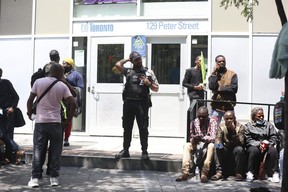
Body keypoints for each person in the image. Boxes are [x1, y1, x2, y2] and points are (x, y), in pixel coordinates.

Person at [26, 63, 76, 188]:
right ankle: (54, 178)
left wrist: (29, 113)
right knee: (55, 151)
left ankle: (35, 178)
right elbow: (73, 102)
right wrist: (67, 120)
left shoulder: (38, 82)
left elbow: (30, 100)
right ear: (60, 73)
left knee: (38, 150)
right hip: (56, 123)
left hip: (41, 122)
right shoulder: (62, 85)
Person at [114, 51, 159, 160]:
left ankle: (144, 151)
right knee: (127, 127)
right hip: (129, 103)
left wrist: (149, 84)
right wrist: (127, 59)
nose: (139, 61)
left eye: (139, 59)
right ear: (132, 61)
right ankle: (125, 150)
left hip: (142, 103)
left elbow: (156, 88)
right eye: (136, 59)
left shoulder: (148, 72)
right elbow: (117, 65)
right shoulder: (128, 71)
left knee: (143, 128)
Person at [175, 106, 217, 183]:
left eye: (203, 117)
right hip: (197, 143)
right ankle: (185, 172)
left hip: (207, 144)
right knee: (187, 145)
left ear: (207, 115)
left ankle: (204, 173)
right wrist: (194, 139)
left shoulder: (212, 122)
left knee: (212, 146)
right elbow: (191, 136)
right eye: (199, 116)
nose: (201, 118)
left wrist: (203, 139)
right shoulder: (194, 122)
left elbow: (213, 138)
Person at [244, 107, 280, 183]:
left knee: (273, 151)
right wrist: (259, 144)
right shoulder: (248, 126)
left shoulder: (268, 125)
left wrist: (267, 144)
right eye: (259, 116)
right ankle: (250, 172)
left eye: (262, 116)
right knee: (253, 151)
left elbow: (274, 136)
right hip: (254, 145)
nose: (261, 118)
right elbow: (248, 139)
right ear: (254, 116)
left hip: (267, 145)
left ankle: (274, 173)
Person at [0, 68, 25, 165]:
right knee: (2, 134)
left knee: (7, 134)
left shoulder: (6, 83)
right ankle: (15, 151)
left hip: (8, 112)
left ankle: (9, 156)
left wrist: (12, 108)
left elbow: (16, 96)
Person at [211, 110, 245, 181]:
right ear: (224, 119)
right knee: (216, 146)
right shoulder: (221, 126)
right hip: (225, 148)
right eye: (227, 119)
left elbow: (241, 142)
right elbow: (218, 137)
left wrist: (233, 131)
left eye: (231, 118)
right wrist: (218, 142)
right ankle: (219, 172)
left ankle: (238, 173)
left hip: (235, 148)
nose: (229, 120)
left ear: (234, 118)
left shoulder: (240, 127)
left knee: (239, 149)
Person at [208, 55, 238, 125]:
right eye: (219, 61)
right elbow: (212, 87)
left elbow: (234, 89)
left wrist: (220, 89)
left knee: (231, 127)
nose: (222, 62)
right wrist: (214, 73)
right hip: (216, 106)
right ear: (216, 63)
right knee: (213, 127)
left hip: (229, 106)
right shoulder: (213, 75)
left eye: (223, 61)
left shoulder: (232, 74)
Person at [62, 58, 84, 147]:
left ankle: (66, 138)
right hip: (60, 99)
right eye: (62, 63)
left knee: (68, 119)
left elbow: (80, 88)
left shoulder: (76, 75)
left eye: (65, 63)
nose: (63, 65)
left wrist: (69, 87)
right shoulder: (60, 73)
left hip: (70, 100)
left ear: (70, 65)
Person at [182, 55, 205, 121]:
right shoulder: (190, 71)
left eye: (203, 61)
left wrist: (203, 85)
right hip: (193, 95)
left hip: (201, 95)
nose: (201, 62)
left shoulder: (203, 71)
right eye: (200, 61)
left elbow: (204, 81)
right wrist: (194, 87)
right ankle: (191, 129)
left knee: (201, 113)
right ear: (196, 61)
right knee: (193, 113)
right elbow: (184, 83)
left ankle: (199, 129)